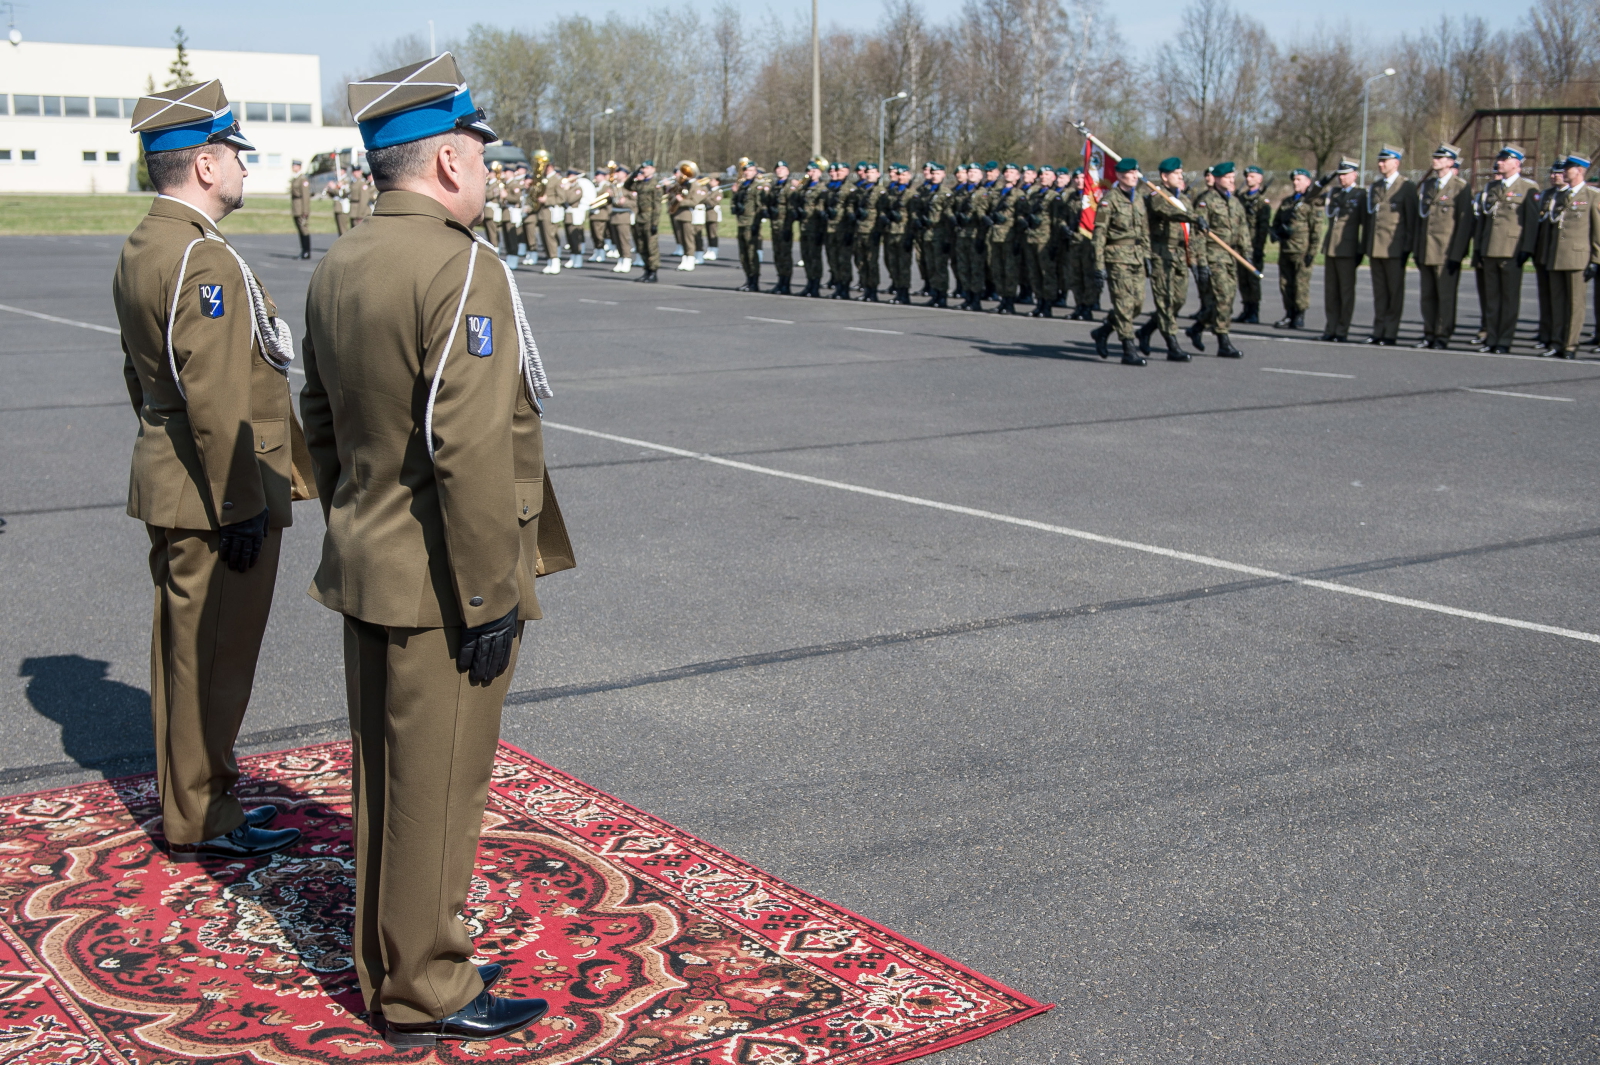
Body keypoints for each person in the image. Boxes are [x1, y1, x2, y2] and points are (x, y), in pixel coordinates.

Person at [302, 52, 573, 1049]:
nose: (489, 176)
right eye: (481, 157)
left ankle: (393, 954)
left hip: (372, 555)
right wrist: (491, 592)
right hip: (443, 582)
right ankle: (425, 984)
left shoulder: (341, 260)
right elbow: (464, 447)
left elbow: (318, 420)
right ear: (452, 163)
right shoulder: (463, 267)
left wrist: (361, 516)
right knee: (438, 792)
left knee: (387, 779)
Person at [113, 80, 308, 864]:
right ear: (202, 162)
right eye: (234, 154)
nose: (242, 169)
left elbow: (140, 375)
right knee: (213, 661)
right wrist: (240, 505)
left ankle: (196, 800)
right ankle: (207, 812)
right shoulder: (202, 258)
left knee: (184, 654)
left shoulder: (146, 244)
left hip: (174, 476)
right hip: (215, 493)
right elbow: (217, 392)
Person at [1472, 145, 1539, 353]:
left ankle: (1504, 340)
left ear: (1516, 163)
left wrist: (1526, 249)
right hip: (1490, 248)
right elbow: (1483, 221)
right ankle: (1491, 338)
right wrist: (1479, 248)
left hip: (1511, 250)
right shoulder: (1491, 188)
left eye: (1504, 159)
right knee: (1492, 299)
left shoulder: (1528, 188)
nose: (1498, 162)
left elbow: (1531, 222)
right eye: (1499, 159)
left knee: (1509, 298)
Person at [1412, 143, 1474, 349]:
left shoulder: (1460, 187)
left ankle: (1442, 334)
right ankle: (1429, 332)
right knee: (1427, 296)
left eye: (1440, 158)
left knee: (1445, 297)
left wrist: (1457, 254)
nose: (1435, 160)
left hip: (1446, 251)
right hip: (1426, 249)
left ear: (1450, 162)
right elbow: (1420, 221)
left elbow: (1464, 224)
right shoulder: (1428, 185)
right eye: (1435, 157)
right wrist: (1417, 250)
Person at [1090, 157, 1150, 366]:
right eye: (1130, 173)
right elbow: (1099, 235)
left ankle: (1104, 330)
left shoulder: (1139, 198)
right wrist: (1098, 266)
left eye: (1136, 173)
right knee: (1124, 304)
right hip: (1117, 258)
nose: (1134, 176)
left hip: (1136, 256)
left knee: (1137, 305)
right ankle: (1128, 348)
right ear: (1119, 175)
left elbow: (1144, 230)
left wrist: (1147, 255)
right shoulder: (1110, 200)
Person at [1541, 154, 1600, 359]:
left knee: (1575, 305)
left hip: (1578, 257)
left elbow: (1597, 231)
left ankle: (1570, 345)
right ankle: (1556, 342)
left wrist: (1596, 259)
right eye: (1565, 168)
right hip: (1556, 256)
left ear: (1580, 171)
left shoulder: (1592, 195)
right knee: (1557, 303)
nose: (1564, 171)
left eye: (1569, 168)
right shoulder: (1558, 196)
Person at [1186, 161, 1247, 358]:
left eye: (1232, 177)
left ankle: (1198, 327)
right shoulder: (1207, 201)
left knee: (1226, 299)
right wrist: (1201, 261)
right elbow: (1199, 235)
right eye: (1228, 177)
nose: (1232, 181)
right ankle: (1223, 341)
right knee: (1223, 298)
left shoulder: (1235, 202)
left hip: (1231, 257)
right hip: (1214, 257)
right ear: (1218, 179)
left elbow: (1243, 230)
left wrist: (1248, 253)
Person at [1137, 157, 1192, 361]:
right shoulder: (1156, 195)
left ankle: (1145, 331)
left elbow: (1189, 230)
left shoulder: (1184, 198)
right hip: (1160, 254)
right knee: (1165, 300)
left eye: (1181, 173)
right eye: (1176, 173)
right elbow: (1169, 213)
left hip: (1178, 255)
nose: (1180, 176)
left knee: (1178, 300)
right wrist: (1193, 217)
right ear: (1164, 176)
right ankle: (1172, 344)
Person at [1364, 145, 1418, 345]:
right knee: (1380, 294)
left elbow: (1411, 220)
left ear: (1396, 163)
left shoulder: (1407, 187)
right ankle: (1378, 330)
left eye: (1384, 161)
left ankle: (1390, 332)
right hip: (1376, 247)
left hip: (1395, 248)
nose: (1380, 164)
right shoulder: (1376, 187)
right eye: (1379, 160)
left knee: (1394, 293)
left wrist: (1407, 247)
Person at [1268, 169, 1327, 331]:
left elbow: (1316, 231)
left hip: (1302, 251)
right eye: (1294, 179)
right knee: (1285, 284)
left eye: (1299, 179)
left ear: (1308, 182)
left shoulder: (1311, 203)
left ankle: (1300, 314)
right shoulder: (1287, 202)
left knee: (1301, 285)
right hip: (1286, 248)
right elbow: (1276, 222)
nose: (1296, 182)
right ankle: (1289, 313)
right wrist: (1277, 232)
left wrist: (1312, 252)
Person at [1319, 158, 1367, 342]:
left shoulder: (1360, 194)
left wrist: (1361, 250)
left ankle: (1342, 329)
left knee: (1346, 293)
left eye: (1345, 174)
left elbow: (1365, 225)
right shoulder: (1334, 193)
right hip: (1331, 248)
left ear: (1354, 174)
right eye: (1339, 175)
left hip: (1348, 249)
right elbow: (1312, 198)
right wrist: (1321, 182)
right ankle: (1330, 327)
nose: (1341, 178)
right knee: (1331, 292)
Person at [1533, 162, 1566, 349]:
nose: (1555, 176)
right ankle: (1545, 332)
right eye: (1553, 172)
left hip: (1559, 253)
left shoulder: (1568, 195)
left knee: (1559, 298)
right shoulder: (1545, 195)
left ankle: (1558, 333)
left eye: (1559, 173)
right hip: (1542, 252)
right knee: (1545, 296)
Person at [1235, 165, 1271, 322]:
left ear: (1260, 179)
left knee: (1253, 280)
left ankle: (1254, 311)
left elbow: (1263, 227)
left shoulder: (1263, 201)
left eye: (1252, 176)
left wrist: (1259, 247)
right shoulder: (1241, 199)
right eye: (1247, 176)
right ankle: (1246, 308)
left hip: (1253, 245)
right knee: (1242, 279)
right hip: (1241, 244)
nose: (1249, 179)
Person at [1022, 166, 1058, 317]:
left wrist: (1054, 244)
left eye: (1047, 174)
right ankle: (1039, 301)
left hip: (1045, 240)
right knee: (1034, 272)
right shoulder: (1035, 195)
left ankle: (1048, 304)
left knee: (1046, 273)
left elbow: (1056, 222)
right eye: (1042, 174)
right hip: (1031, 238)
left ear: (1053, 178)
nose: (1043, 177)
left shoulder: (1054, 197)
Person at [916, 161, 953, 307]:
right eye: (933, 173)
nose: (935, 176)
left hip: (940, 234)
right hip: (928, 234)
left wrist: (948, 239)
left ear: (943, 175)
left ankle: (942, 295)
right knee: (930, 266)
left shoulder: (946, 193)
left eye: (938, 173)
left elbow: (948, 217)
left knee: (940, 267)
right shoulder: (927, 192)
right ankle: (934, 293)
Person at [850, 161, 885, 301]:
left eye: (872, 172)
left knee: (871, 261)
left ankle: (873, 290)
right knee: (861, 261)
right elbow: (851, 205)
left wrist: (878, 230)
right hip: (859, 230)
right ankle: (865, 287)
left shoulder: (880, 191)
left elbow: (883, 212)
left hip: (871, 230)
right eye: (867, 172)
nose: (869, 175)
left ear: (878, 174)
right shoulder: (860, 190)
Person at [731, 159, 766, 291]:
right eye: (745, 170)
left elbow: (760, 205)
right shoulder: (742, 185)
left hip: (751, 223)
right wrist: (734, 205)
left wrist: (757, 223)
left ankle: (754, 281)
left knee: (752, 254)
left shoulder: (758, 186)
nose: (747, 172)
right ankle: (748, 279)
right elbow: (735, 201)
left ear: (755, 172)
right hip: (741, 222)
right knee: (743, 254)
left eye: (750, 170)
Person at [764, 160, 799, 294]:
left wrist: (788, 225)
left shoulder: (790, 186)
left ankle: (786, 283)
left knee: (785, 254)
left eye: (783, 168)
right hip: (775, 224)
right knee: (777, 254)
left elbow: (792, 206)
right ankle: (780, 280)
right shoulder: (774, 186)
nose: (780, 171)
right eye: (777, 169)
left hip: (785, 224)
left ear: (787, 171)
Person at [797, 158, 828, 297]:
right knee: (806, 256)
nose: (811, 173)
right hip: (804, 227)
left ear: (820, 172)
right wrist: (804, 179)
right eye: (809, 170)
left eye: (814, 170)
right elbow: (795, 191)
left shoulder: (822, 187)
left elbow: (820, 207)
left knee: (815, 257)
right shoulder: (805, 186)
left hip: (815, 227)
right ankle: (809, 282)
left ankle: (815, 284)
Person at [626, 159, 661, 281]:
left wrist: (654, 223)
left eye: (646, 168)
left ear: (653, 169)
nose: (644, 170)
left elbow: (657, 206)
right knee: (641, 246)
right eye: (643, 168)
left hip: (649, 218)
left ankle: (653, 271)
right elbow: (628, 186)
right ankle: (646, 269)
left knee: (651, 246)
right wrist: (633, 174)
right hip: (639, 217)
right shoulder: (640, 183)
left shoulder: (655, 184)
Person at [669, 161, 707, 271]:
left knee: (688, 239)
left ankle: (690, 259)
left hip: (688, 215)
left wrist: (681, 201)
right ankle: (685, 258)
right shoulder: (682, 184)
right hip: (679, 214)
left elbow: (694, 201)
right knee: (682, 239)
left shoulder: (696, 185)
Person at [824, 160, 854, 298]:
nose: (836, 173)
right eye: (835, 171)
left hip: (843, 228)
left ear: (847, 172)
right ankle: (838, 285)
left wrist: (849, 229)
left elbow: (851, 209)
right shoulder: (831, 188)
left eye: (840, 171)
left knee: (843, 260)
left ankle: (845, 287)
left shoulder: (850, 188)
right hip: (830, 228)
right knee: (833, 259)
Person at [607, 164, 637, 273]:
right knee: (617, 240)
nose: (616, 174)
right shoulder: (616, 185)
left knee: (624, 240)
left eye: (618, 172)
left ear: (624, 173)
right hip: (614, 215)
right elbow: (613, 201)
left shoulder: (630, 186)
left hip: (624, 215)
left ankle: (627, 260)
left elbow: (635, 202)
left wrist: (625, 202)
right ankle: (621, 259)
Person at [290, 159, 312, 259]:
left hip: (301, 208)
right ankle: (303, 250)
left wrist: (305, 211)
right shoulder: (295, 178)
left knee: (304, 229)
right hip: (296, 207)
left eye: (295, 166)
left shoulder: (302, 179)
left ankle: (307, 251)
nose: (293, 167)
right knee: (300, 230)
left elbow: (305, 196)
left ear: (299, 167)